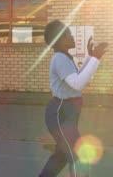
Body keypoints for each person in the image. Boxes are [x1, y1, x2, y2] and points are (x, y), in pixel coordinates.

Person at [39, 20, 108, 177]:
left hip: (66, 113)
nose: (72, 37)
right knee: (77, 155)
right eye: (68, 35)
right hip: (60, 113)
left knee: (62, 155)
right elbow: (78, 84)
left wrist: (92, 58)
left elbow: (79, 77)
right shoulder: (59, 58)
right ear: (59, 39)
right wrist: (95, 58)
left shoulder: (64, 57)